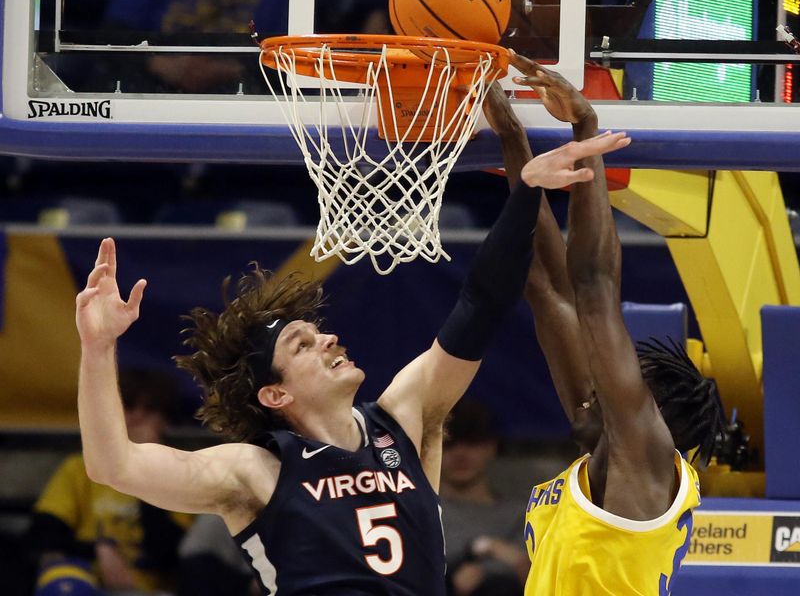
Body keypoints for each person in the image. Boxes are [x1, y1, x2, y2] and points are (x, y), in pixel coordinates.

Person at [74, 93, 630, 595]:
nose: (328, 339)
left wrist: (526, 191)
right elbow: (113, 465)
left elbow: (479, 306)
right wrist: (98, 349)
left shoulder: (405, 418)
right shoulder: (256, 472)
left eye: (318, 333)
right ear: (275, 395)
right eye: (302, 344)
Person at [500, 52, 727, 594]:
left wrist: (586, 127)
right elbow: (547, 289)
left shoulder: (646, 460)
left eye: (615, 386)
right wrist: (511, 134)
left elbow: (596, 285)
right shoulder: (602, 450)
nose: (598, 386)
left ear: (648, 412)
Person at [28, 369, 192, 596]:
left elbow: (168, 553)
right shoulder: (80, 467)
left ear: (164, 421)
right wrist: (99, 549)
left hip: (149, 590)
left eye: (151, 410)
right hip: (85, 583)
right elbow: (43, 536)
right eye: (129, 406)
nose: (138, 417)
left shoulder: (179, 472)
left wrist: (144, 468)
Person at [440, 399, 528, 596]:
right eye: (449, 444)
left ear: (491, 446)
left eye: (472, 442)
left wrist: (487, 553)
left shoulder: (524, 515)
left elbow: (534, 573)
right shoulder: (421, 515)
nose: (460, 454)